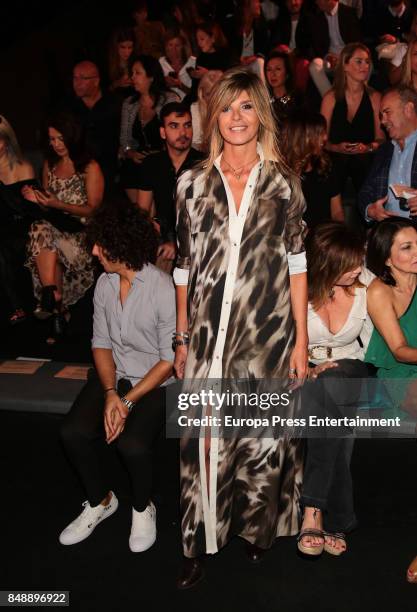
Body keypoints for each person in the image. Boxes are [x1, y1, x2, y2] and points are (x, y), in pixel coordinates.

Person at [173, 68, 308, 588]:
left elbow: (297, 264)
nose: (235, 117)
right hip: (207, 337)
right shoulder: (190, 184)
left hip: (266, 335)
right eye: (226, 107)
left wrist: (300, 339)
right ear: (213, 117)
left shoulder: (284, 184)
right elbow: (183, 267)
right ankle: (196, 541)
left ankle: (254, 530)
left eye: (246, 107)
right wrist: (182, 337)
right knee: (202, 440)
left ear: (261, 116)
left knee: (258, 439)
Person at [59, 201, 175, 553]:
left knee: (133, 445)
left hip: (156, 380)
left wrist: (126, 401)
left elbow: (168, 360)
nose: (94, 251)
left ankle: (143, 507)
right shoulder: (105, 285)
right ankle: (100, 501)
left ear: (122, 245)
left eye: (100, 244)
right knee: (72, 432)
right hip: (117, 374)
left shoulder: (162, 288)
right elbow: (101, 343)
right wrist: (110, 392)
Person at [298, 223, 372, 556]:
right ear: (326, 263)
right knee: (333, 422)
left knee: (332, 383)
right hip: (306, 371)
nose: (358, 269)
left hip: (352, 367)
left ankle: (312, 509)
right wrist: (307, 369)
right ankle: (339, 518)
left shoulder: (368, 285)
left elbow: (374, 343)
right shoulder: (298, 288)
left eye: (359, 261)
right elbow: (282, 340)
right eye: (349, 264)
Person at [364, 217, 417, 583]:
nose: (416, 253)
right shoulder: (379, 292)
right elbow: (399, 351)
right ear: (386, 257)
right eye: (406, 247)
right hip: (400, 381)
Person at [22, 113, 104, 339]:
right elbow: (48, 208)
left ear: (72, 137)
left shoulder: (89, 167)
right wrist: (36, 197)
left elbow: (93, 210)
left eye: (60, 138)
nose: (55, 144)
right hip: (55, 229)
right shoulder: (50, 164)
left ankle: (53, 302)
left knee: (44, 235)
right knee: (41, 228)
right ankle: (54, 296)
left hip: (80, 235)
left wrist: (58, 203)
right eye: (51, 139)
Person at [137, 102, 203, 272]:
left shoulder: (204, 164)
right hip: (162, 238)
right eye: (174, 126)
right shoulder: (152, 164)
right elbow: (142, 212)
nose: (183, 133)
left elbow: (206, 218)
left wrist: (177, 242)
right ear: (162, 132)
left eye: (187, 125)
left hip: (197, 240)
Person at [321, 43, 384, 197]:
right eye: (359, 61)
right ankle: (336, 215)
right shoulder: (330, 98)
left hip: (365, 157)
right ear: (345, 65)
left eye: (367, 62)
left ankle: (370, 213)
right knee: (337, 163)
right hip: (336, 157)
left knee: (362, 162)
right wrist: (337, 148)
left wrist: (367, 147)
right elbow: (320, 140)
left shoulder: (375, 98)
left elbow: (381, 139)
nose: (365, 66)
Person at [119, 54, 178, 203]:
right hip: (139, 161)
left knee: (155, 169)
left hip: (164, 158)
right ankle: (143, 217)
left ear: (151, 77)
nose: (133, 77)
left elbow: (177, 135)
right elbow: (124, 140)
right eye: (132, 73)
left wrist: (158, 154)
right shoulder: (129, 104)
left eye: (137, 73)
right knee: (128, 170)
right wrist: (130, 153)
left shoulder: (169, 99)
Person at [358, 86, 417, 222]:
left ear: (408, 109)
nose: (383, 121)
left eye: (387, 112)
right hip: (388, 231)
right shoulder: (385, 151)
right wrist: (370, 210)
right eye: (381, 115)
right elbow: (365, 193)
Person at [0, 115, 37, 325]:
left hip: (19, 228)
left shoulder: (24, 167)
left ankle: (17, 307)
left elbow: (28, 211)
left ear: (5, 142)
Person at [280, 111, 344, 228]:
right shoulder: (280, 174)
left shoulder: (326, 165)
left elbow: (337, 211)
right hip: (293, 239)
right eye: (320, 133)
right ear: (304, 137)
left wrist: (337, 234)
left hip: (322, 238)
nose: (325, 137)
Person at [64, 61, 121, 188]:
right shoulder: (68, 106)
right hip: (77, 169)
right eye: (74, 78)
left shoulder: (114, 103)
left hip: (109, 169)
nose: (77, 83)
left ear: (96, 81)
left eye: (83, 78)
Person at [304, 0, 362, 97]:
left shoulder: (349, 13)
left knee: (359, 62)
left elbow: (356, 44)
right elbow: (318, 48)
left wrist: (342, 58)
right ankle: (331, 100)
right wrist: (328, 57)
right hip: (329, 59)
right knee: (315, 65)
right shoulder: (317, 18)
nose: (316, 2)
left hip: (348, 57)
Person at [264, 50, 302, 127]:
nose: (273, 74)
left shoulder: (297, 99)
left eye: (278, 69)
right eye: (269, 69)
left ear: (287, 73)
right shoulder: (263, 99)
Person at [190, 70, 223, 151]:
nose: (212, 99)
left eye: (216, 94)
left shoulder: (230, 108)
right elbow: (195, 143)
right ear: (201, 93)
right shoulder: (196, 108)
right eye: (208, 94)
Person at [159, 32, 196, 100]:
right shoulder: (160, 62)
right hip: (167, 105)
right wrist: (164, 82)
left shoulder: (193, 62)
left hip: (188, 103)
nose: (174, 49)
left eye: (177, 45)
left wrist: (179, 85)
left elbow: (196, 93)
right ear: (166, 46)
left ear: (183, 47)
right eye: (170, 45)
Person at [107, 27, 135, 98]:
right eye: (122, 47)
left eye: (130, 47)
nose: (127, 52)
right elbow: (103, 90)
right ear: (115, 46)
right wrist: (117, 83)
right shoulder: (107, 63)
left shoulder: (135, 61)